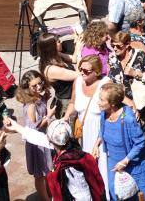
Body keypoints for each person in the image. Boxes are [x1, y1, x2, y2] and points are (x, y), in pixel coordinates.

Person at [5, 117, 106, 201]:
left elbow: (81, 193)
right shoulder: (73, 148)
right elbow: (38, 137)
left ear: (50, 141)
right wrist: (16, 126)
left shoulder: (68, 165)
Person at [93, 82, 145, 200]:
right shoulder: (104, 113)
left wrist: (126, 161)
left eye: (102, 100)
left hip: (134, 165)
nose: (98, 102)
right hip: (114, 164)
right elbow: (103, 130)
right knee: (117, 194)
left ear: (113, 103)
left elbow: (140, 142)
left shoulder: (128, 119)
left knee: (142, 196)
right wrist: (97, 144)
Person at [63, 55, 109, 192]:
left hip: (101, 133)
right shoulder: (77, 82)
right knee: (88, 170)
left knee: (103, 168)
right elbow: (72, 102)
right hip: (83, 135)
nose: (82, 72)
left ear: (97, 72)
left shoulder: (105, 83)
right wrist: (65, 117)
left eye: (86, 71)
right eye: (80, 69)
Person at [15, 70, 55, 201]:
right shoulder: (31, 105)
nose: (39, 87)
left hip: (43, 139)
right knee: (40, 175)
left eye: (40, 83)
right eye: (34, 86)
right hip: (37, 143)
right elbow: (33, 128)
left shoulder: (37, 97)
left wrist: (45, 98)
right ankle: (45, 199)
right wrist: (49, 115)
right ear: (27, 88)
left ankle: (50, 193)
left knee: (47, 171)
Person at [37, 33, 77, 116]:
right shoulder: (52, 69)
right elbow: (79, 75)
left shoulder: (55, 56)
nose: (61, 42)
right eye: (58, 41)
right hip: (67, 103)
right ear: (52, 47)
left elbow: (74, 59)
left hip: (71, 98)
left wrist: (78, 42)